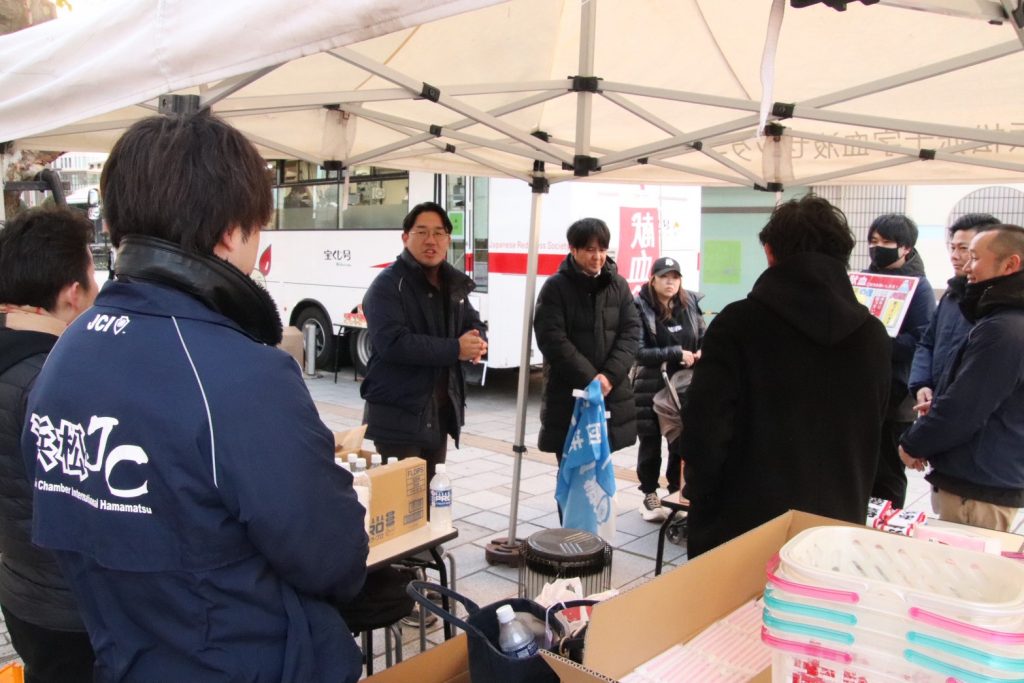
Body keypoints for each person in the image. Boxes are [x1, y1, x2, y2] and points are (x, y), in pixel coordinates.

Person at [21, 113, 369, 683]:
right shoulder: (242, 374)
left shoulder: (65, 354)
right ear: (231, 231)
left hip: (124, 658)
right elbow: (333, 557)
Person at [681, 195, 891, 558]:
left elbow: (706, 431)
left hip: (740, 528)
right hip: (834, 531)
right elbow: (875, 430)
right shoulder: (872, 335)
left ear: (770, 252)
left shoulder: (737, 325)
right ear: (843, 256)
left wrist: (697, 493)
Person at [0, 208, 98, 682]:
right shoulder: (51, 382)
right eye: (94, 281)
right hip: (71, 608)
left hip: (20, 590)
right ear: (72, 295)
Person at [899, 225, 1024, 531]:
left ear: (1010, 264)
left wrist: (913, 443)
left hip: (977, 485)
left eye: (975, 257)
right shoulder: (997, 317)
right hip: (979, 474)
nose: (966, 265)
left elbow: (965, 407)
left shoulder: (1004, 328)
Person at [360, 201, 487, 483]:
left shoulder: (452, 283)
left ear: (448, 240)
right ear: (406, 237)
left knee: (431, 497)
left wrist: (478, 342)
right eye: (422, 232)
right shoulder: (387, 285)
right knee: (401, 502)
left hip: (438, 414)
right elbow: (393, 343)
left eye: (439, 233)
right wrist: (456, 348)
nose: (431, 240)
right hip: (398, 416)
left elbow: (473, 323)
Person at [534, 217, 641, 466]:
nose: (598, 257)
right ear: (573, 249)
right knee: (571, 470)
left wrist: (609, 376)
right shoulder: (555, 287)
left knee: (602, 471)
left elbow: (631, 332)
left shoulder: (618, 285)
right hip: (569, 395)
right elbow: (551, 338)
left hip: (610, 393)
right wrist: (590, 379)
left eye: (602, 249)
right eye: (590, 249)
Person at [864, 214, 935, 508]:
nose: (877, 248)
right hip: (861, 390)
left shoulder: (919, 287)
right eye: (873, 241)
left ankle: (885, 523)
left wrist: (876, 342)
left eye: (886, 242)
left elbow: (922, 339)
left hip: (897, 395)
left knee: (888, 473)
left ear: (905, 247)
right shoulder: (862, 280)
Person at [631, 256, 705, 521]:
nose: (670, 282)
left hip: (683, 385)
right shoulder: (640, 306)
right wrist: (676, 353)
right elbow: (638, 351)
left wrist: (701, 351)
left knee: (680, 442)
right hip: (650, 384)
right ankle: (649, 494)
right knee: (650, 442)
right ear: (653, 279)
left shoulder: (690, 303)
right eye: (664, 276)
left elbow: (703, 335)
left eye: (675, 277)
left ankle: (676, 491)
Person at [909, 213, 999, 417]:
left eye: (964, 249)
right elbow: (927, 342)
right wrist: (921, 384)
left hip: (972, 414)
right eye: (953, 247)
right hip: (937, 407)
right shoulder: (951, 297)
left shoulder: (998, 305)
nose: (954, 256)